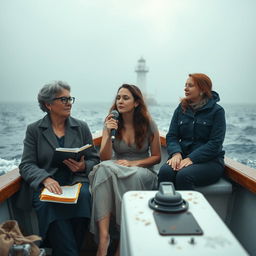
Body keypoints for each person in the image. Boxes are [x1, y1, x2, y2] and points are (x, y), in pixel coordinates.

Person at [18, 81, 100, 256]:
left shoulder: (81, 127)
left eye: (70, 98)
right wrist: (45, 179)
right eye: (63, 99)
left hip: (76, 182)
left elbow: (95, 159)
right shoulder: (34, 130)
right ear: (48, 104)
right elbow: (26, 164)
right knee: (48, 203)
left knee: (85, 196)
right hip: (48, 184)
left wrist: (83, 166)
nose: (69, 102)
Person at [89, 84, 161, 256]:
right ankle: (104, 239)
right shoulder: (111, 122)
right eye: (118, 97)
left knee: (131, 175)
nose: (120, 101)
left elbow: (157, 157)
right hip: (117, 165)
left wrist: (135, 164)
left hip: (142, 169)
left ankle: (123, 242)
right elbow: (105, 158)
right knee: (102, 169)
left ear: (136, 103)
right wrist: (107, 132)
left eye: (125, 98)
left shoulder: (148, 123)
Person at [158, 73, 226, 190]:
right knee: (165, 172)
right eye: (185, 85)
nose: (185, 88)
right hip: (182, 156)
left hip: (210, 162)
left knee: (184, 175)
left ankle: (186, 208)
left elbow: (215, 143)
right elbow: (172, 136)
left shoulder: (217, 111)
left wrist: (192, 158)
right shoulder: (181, 109)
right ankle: (164, 205)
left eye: (190, 85)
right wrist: (176, 153)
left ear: (202, 89)